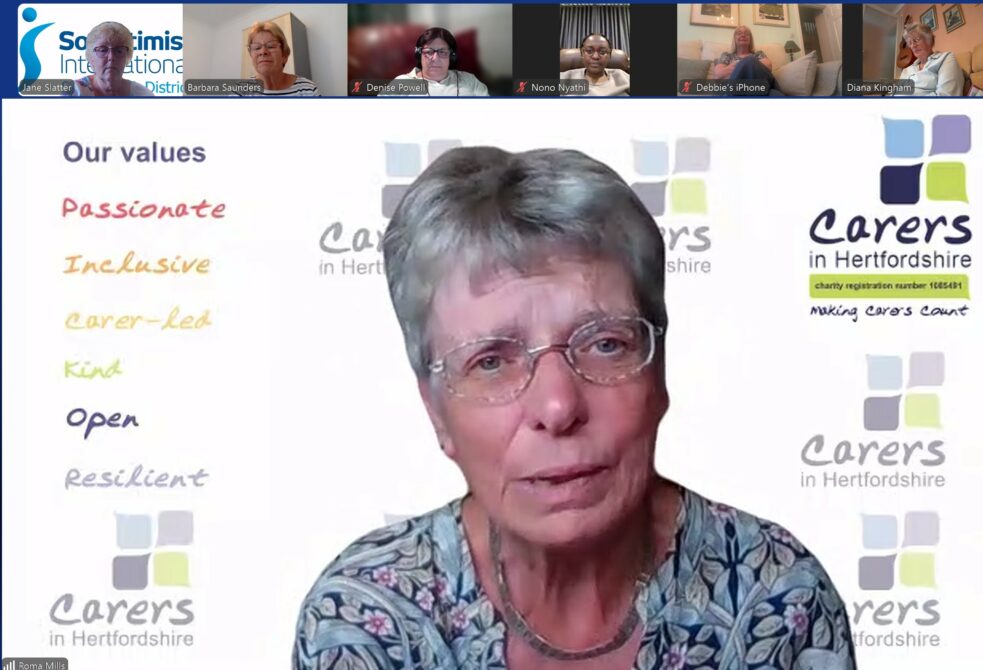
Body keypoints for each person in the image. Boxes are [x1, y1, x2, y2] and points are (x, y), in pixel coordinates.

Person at [292, 147, 858, 670]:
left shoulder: (780, 595)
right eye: (491, 361)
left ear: (659, 374)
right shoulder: (364, 617)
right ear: (436, 412)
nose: (559, 406)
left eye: (606, 344)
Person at [382, 27, 489, 97]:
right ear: (419, 55)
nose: (435, 58)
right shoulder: (401, 83)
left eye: (442, 52)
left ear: (451, 56)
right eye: (429, 52)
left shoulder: (470, 81)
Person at [66, 22, 153, 97]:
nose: (111, 57)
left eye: (119, 51)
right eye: (103, 50)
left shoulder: (143, 94)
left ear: (127, 57)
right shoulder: (73, 92)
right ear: (91, 57)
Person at [245, 21, 320, 96]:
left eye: (271, 46)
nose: (263, 52)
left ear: (284, 55)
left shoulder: (308, 89)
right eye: (257, 48)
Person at [895, 23, 964, 96]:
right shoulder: (906, 70)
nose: (913, 46)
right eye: (910, 43)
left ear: (930, 40)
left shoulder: (946, 58)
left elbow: (947, 95)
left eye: (916, 40)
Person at [560, 33, 630, 96]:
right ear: (582, 54)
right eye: (589, 51)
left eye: (602, 52)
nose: (595, 56)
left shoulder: (623, 77)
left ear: (609, 55)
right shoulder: (565, 78)